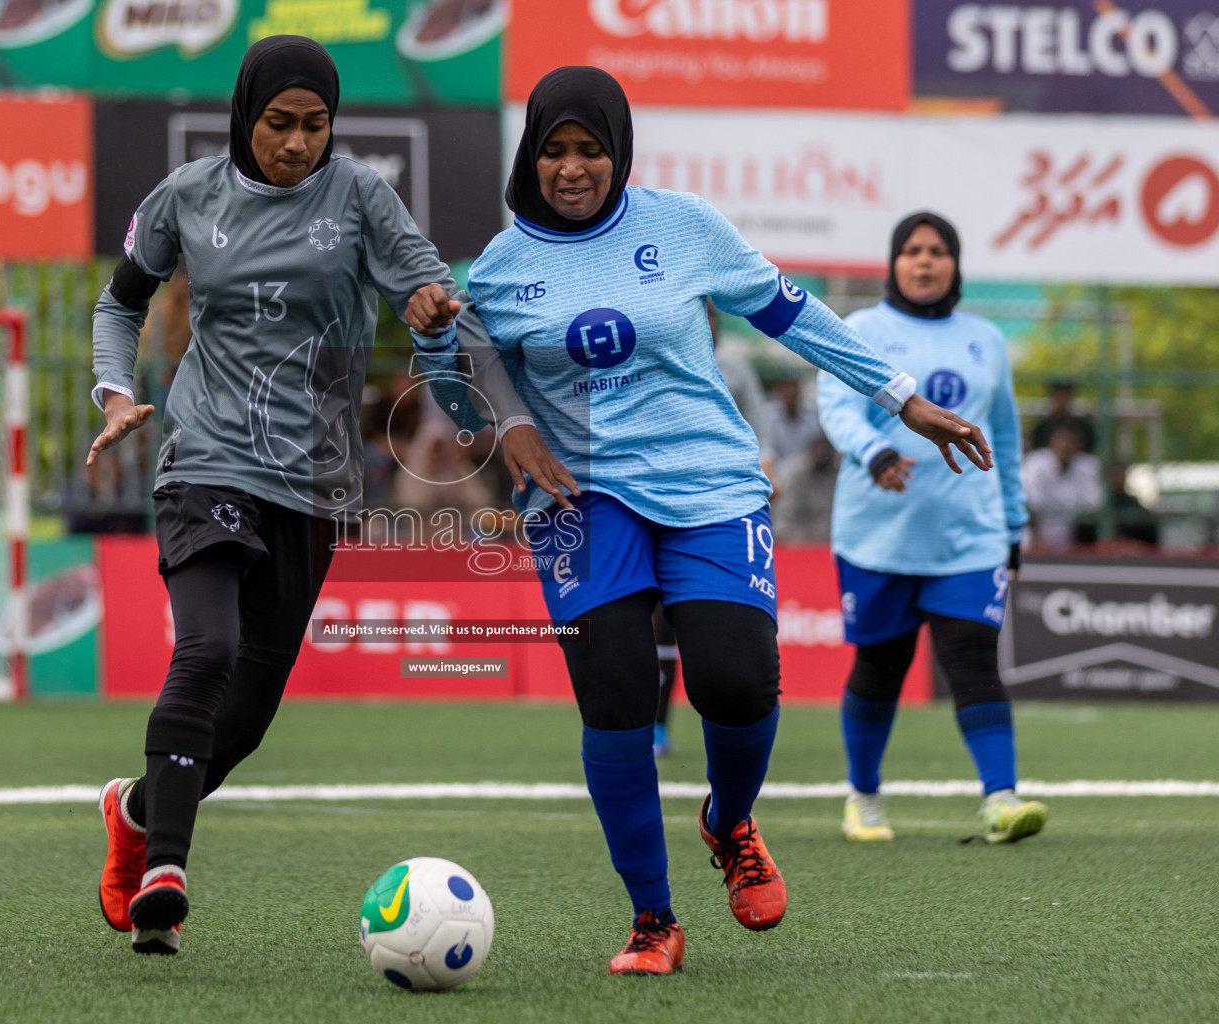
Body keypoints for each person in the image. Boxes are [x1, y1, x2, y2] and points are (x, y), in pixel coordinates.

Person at [419, 68, 993, 975]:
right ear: (530, 154)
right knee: (613, 694)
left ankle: (730, 823)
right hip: (581, 497)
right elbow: (463, 398)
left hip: (709, 483)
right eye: (555, 150)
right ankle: (653, 919)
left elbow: (792, 315)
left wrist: (901, 397)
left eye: (590, 150)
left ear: (618, 152)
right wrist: (447, 360)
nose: (573, 169)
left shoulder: (684, 226)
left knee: (735, 681)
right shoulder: (497, 268)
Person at [84, 35, 547, 957]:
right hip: (206, 458)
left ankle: (136, 812)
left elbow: (430, 288)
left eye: (315, 125)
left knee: (249, 715)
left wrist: (427, 307)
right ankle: (166, 873)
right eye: (278, 124)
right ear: (244, 116)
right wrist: (115, 387)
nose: (297, 144)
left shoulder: (362, 197)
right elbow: (119, 300)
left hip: (314, 482)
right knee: (208, 647)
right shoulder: (184, 198)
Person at [818, 211, 1046, 846]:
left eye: (938, 251)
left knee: (974, 660)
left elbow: (1003, 437)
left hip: (969, 538)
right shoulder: (860, 329)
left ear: (956, 264)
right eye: (912, 250)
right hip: (877, 537)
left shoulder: (987, 340)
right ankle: (863, 796)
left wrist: (1013, 522)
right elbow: (835, 407)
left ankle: (1002, 798)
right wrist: (877, 453)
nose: (924, 261)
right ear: (894, 263)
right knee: (880, 668)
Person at [653, 301, 777, 758]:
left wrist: (768, 471)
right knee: (657, 626)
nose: (700, 322)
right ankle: (656, 725)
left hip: (725, 511)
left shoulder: (736, 370)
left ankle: (729, 731)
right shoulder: (650, 360)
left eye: (708, 314)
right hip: (659, 508)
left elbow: (762, 430)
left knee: (721, 635)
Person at [1022, 427, 1103, 546]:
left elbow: (1094, 503)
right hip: (1038, 528)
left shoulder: (1088, 465)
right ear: (1052, 444)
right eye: (1061, 442)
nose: (1066, 447)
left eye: (1071, 443)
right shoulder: (1035, 463)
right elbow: (1034, 502)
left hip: (1074, 529)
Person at [766, 376, 825, 464]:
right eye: (786, 387)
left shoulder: (812, 415)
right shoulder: (767, 415)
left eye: (793, 386)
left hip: (806, 470)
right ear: (779, 390)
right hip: (775, 469)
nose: (791, 391)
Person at [1029, 379, 1095, 452]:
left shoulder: (1083, 425)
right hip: (1047, 461)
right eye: (1059, 394)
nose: (1062, 398)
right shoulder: (1042, 425)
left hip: (1076, 461)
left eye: (1065, 395)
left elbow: (1091, 450)